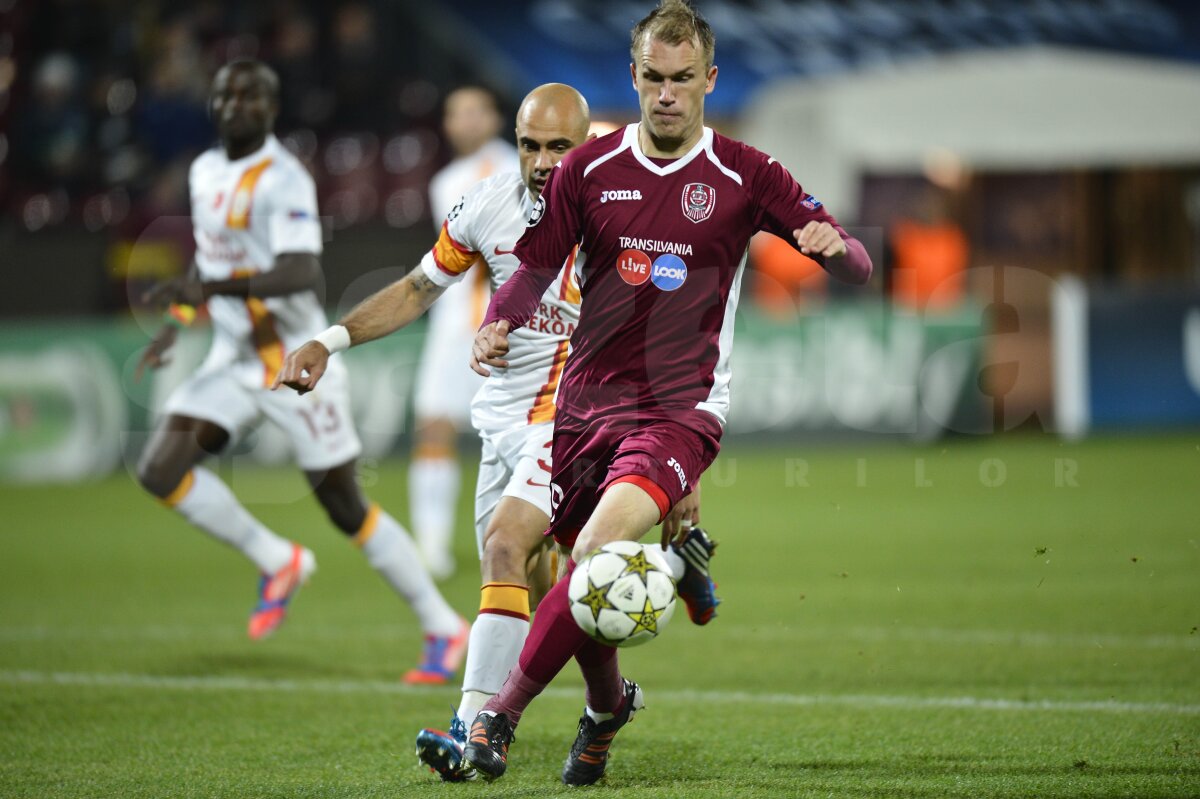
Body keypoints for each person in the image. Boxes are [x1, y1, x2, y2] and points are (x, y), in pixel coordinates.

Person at [464, 0, 872, 785]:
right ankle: (607, 708)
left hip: (681, 411)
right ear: (633, 77)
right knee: (593, 581)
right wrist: (497, 323)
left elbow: (855, 260)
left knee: (590, 556)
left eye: (683, 79)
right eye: (653, 78)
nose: (667, 94)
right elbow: (535, 268)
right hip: (584, 406)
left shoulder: (747, 175)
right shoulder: (589, 168)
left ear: (710, 79)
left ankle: (497, 717)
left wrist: (836, 248)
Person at [272, 82, 721, 782]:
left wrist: (682, 469)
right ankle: (612, 698)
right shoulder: (487, 204)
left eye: (559, 147)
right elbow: (421, 287)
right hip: (502, 424)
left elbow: (677, 345)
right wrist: (330, 340)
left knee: (506, 543)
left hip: (577, 423)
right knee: (556, 588)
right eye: (530, 145)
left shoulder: (634, 217)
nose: (542, 162)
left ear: (592, 146)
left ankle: (475, 724)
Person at [134, 59, 468, 684]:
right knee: (159, 468)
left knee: (345, 507)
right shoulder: (205, 170)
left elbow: (298, 272)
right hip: (233, 359)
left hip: (294, 363)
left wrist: (210, 284)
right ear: (214, 103)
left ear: (271, 107)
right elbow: (209, 262)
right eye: (227, 93)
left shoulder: (283, 177)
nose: (237, 104)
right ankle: (276, 559)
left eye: (252, 96)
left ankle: (444, 627)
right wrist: (176, 324)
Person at [410, 87, 520, 580]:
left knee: (510, 439)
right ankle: (430, 546)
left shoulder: (513, 165)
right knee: (434, 429)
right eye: (456, 112)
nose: (466, 121)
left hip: (506, 327)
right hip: (452, 328)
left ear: (494, 117)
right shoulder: (443, 182)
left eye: (477, 111)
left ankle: (513, 542)